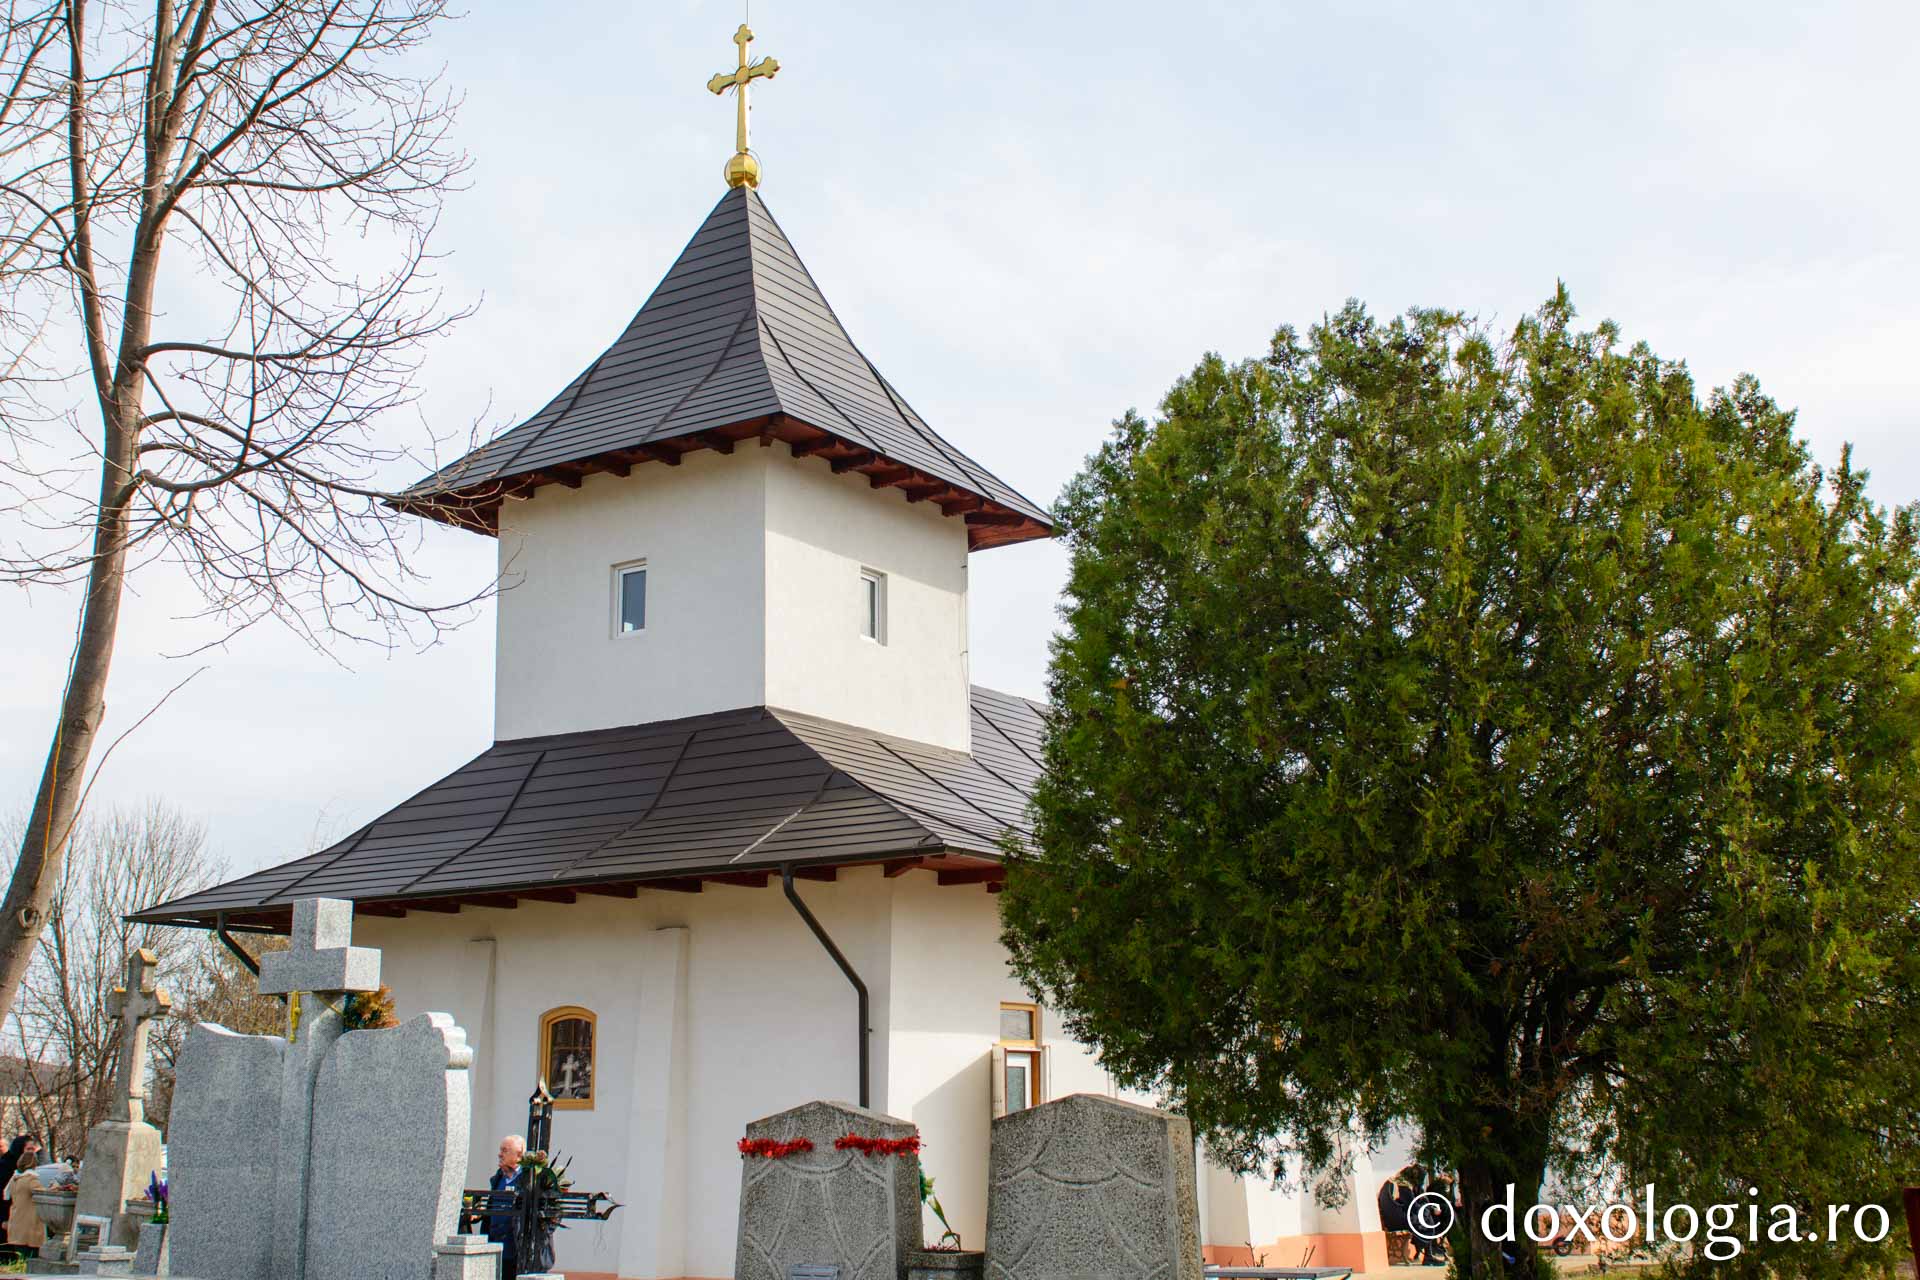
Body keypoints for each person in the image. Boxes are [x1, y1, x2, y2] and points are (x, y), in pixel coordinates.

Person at [486, 1135, 525, 1280]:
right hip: (495, 1248)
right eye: (500, 1150)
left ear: (519, 1155)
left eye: (505, 1150)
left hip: (517, 1251)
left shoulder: (529, 1179)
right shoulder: (498, 1179)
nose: (500, 1154)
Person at [1, 1135, 43, 1253]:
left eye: (33, 1149)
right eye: (28, 1149)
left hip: (19, 1219)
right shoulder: (5, 1167)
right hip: (7, 1217)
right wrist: (3, 1218)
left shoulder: (26, 1171)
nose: (32, 1152)